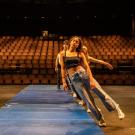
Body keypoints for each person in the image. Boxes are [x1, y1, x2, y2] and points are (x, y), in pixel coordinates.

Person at [60, 36, 106, 127]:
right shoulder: (62, 53)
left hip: (83, 74)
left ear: (78, 45)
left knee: (99, 92)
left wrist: (91, 79)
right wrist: (64, 81)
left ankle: (113, 106)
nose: (75, 42)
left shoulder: (80, 53)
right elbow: (62, 68)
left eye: (77, 42)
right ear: (70, 42)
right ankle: (100, 118)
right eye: (74, 40)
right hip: (74, 78)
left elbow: (86, 66)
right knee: (87, 100)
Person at [82, 45, 125, 120]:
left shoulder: (88, 58)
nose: (83, 50)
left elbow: (98, 61)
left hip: (89, 78)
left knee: (102, 94)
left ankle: (118, 108)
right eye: (82, 49)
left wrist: (106, 64)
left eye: (84, 49)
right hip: (82, 79)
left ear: (86, 51)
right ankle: (95, 109)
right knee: (88, 97)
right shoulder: (78, 58)